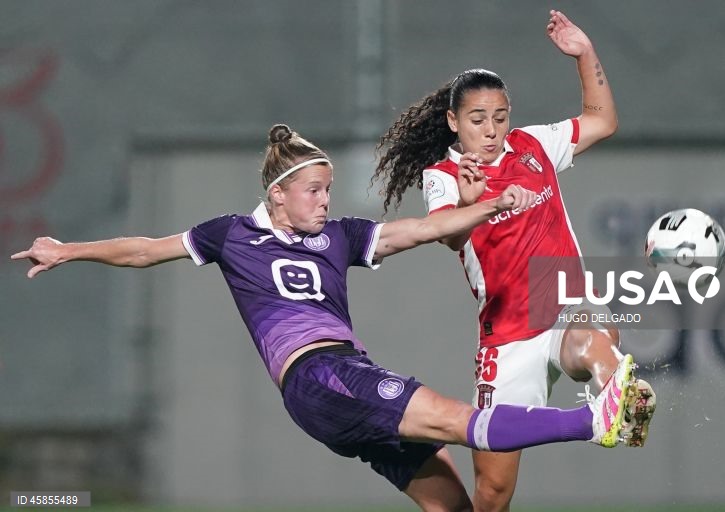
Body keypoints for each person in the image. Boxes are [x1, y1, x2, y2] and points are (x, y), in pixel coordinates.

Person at [12, 123, 643, 511]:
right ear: (277, 194)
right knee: (460, 420)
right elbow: (148, 250)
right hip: (320, 378)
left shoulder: (339, 235)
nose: (324, 199)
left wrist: (490, 205)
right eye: (313, 189)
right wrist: (71, 249)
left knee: (452, 504)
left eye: (327, 187)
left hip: (342, 386)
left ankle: (594, 420)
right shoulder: (231, 235)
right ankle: (593, 421)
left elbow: (420, 229)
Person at [372, 10, 657, 511]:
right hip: (506, 333)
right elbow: (448, 238)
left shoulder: (534, 145)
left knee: (591, 326)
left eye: (500, 118)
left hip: (559, 297)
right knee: (494, 492)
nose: (491, 130)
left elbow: (603, 120)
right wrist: (475, 203)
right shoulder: (444, 174)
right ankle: (611, 393)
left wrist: (584, 53)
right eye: (478, 120)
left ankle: (616, 393)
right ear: (453, 122)